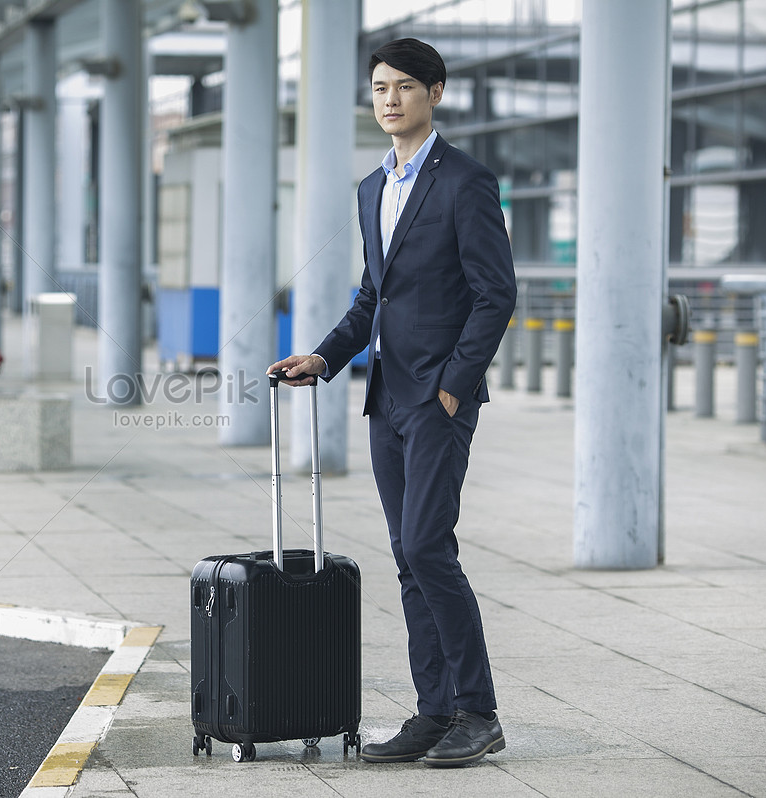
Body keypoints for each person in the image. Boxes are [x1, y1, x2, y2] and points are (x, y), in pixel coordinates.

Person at [268, 37, 517, 768]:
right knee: (409, 559)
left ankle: (479, 710)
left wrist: (452, 388)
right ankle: (434, 712)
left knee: (429, 550)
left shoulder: (466, 181)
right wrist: (324, 356)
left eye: (404, 87)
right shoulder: (372, 187)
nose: (389, 100)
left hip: (436, 401)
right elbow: (373, 297)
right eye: (379, 88)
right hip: (387, 397)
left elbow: (495, 294)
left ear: (434, 92)